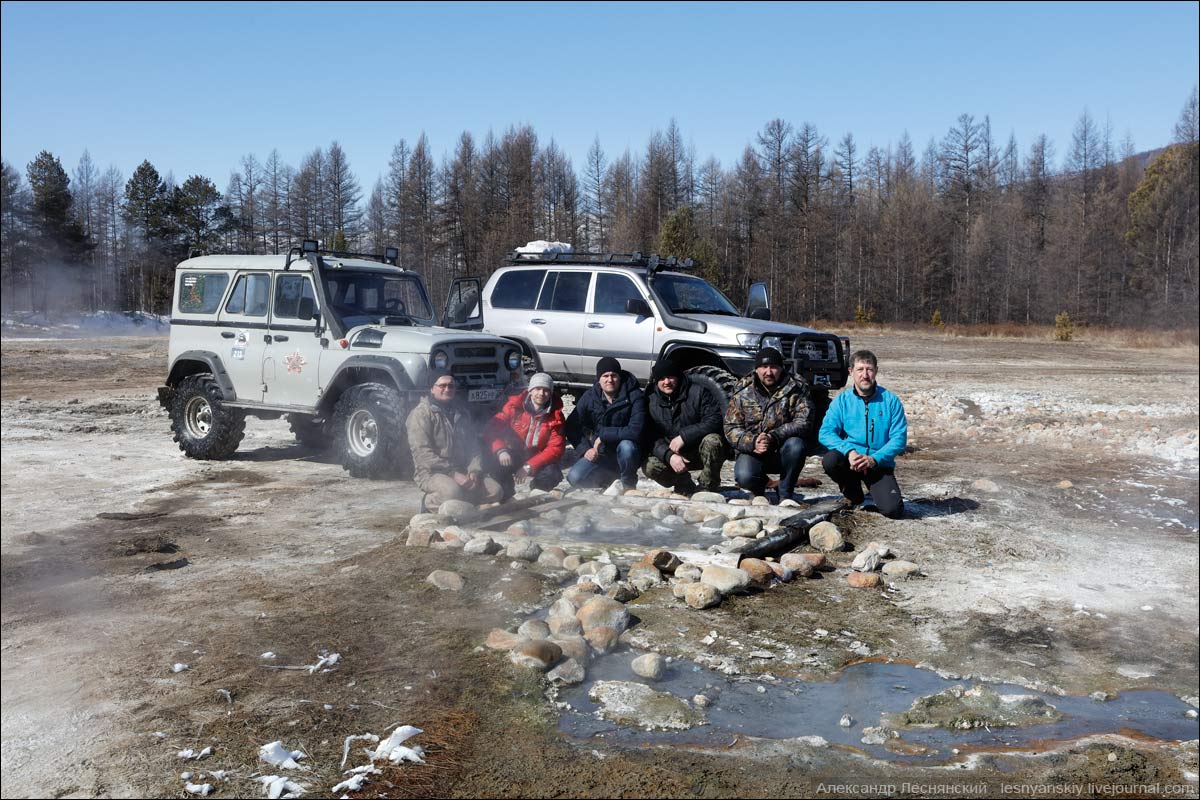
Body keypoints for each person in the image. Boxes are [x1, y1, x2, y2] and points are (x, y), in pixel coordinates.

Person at [819, 350, 907, 518]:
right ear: (851, 372)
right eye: (860, 369)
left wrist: (874, 459)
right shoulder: (842, 401)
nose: (865, 375)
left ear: (876, 371)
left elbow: (899, 439)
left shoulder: (890, 400)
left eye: (869, 369)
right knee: (831, 460)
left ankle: (879, 493)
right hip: (851, 462)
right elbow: (825, 432)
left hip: (878, 464)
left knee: (893, 511)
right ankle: (853, 494)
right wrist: (849, 452)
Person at [723, 347, 814, 503]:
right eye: (764, 367)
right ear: (756, 369)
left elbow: (804, 422)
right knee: (744, 475)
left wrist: (774, 436)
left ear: (781, 368)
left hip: (782, 450)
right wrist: (752, 442)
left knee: (796, 445)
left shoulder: (797, 387)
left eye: (773, 367)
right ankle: (759, 492)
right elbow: (730, 427)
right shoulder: (743, 389)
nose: (769, 372)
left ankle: (785, 494)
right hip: (753, 451)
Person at [406, 372, 504, 509]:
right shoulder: (420, 414)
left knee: (496, 491)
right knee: (452, 492)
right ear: (432, 389)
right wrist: (453, 474)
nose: (447, 389)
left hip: (462, 469)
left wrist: (474, 470)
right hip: (432, 472)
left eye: (451, 386)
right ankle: (429, 502)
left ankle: (462, 503)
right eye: (442, 385)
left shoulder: (462, 412)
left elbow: (474, 447)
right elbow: (422, 454)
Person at [641, 358, 725, 494]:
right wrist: (669, 456)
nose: (667, 382)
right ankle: (683, 483)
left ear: (678, 377)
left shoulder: (699, 392)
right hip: (671, 454)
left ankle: (707, 486)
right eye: (662, 378)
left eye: (670, 377)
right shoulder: (649, 401)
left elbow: (715, 419)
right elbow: (649, 436)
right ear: (656, 381)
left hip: (698, 450)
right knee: (649, 466)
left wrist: (684, 437)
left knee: (713, 441)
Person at [565, 356, 645, 491]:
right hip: (601, 452)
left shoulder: (635, 396)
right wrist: (585, 449)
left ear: (619, 377)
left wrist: (603, 435)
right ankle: (607, 480)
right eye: (605, 376)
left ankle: (628, 484)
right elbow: (571, 426)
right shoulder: (590, 397)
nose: (610, 380)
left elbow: (636, 430)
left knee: (627, 447)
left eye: (614, 375)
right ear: (598, 378)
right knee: (574, 478)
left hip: (627, 452)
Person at [485, 372, 567, 495]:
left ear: (551, 393)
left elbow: (556, 448)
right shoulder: (514, 406)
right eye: (537, 389)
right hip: (513, 453)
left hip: (535, 456)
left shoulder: (556, 415)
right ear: (530, 390)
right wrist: (501, 450)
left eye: (546, 390)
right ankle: (506, 492)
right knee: (495, 462)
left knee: (553, 473)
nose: (541, 393)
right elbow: (492, 428)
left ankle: (536, 489)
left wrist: (529, 466)